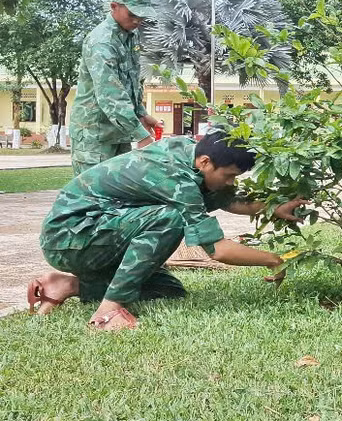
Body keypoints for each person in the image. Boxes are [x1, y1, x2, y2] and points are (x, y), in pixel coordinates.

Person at [27, 132, 306, 331]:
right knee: (170, 218)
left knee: (167, 290)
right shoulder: (176, 178)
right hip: (69, 236)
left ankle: (68, 285)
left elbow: (224, 198)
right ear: (206, 162)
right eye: (230, 175)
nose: (232, 182)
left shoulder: (191, 154)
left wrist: (272, 208)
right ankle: (109, 308)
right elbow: (217, 250)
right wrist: (274, 259)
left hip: (99, 230)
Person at [70, 0, 161, 175]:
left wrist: (141, 114)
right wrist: (140, 135)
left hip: (119, 134)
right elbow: (110, 94)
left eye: (142, 15)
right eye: (132, 14)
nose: (137, 20)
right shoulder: (102, 41)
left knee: (119, 196)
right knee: (94, 198)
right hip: (95, 136)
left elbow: (131, 83)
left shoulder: (129, 37)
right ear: (114, 7)